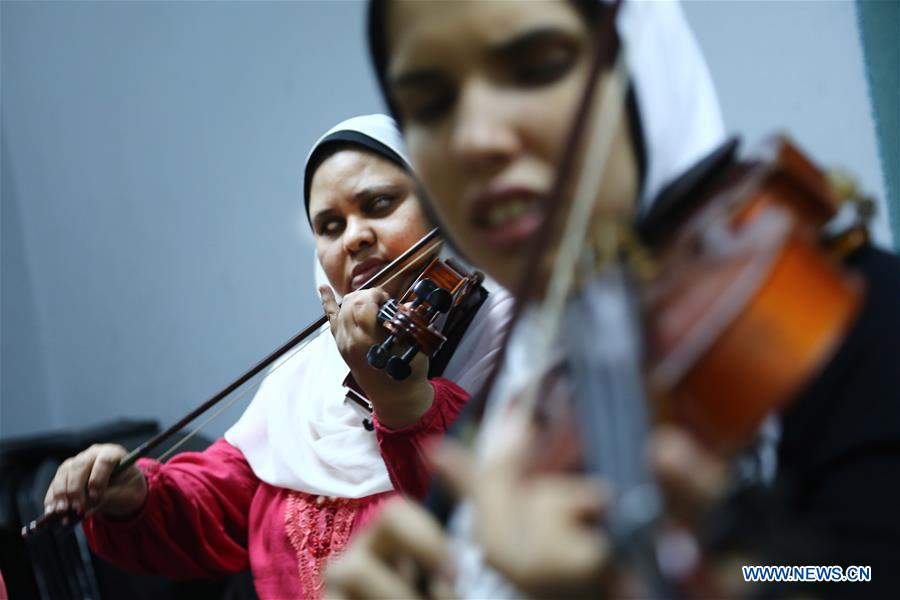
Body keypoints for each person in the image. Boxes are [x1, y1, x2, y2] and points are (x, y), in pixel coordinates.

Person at [326, 1, 900, 598]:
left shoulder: (845, 315)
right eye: (430, 106)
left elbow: (851, 574)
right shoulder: (503, 416)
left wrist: (725, 575)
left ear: (638, 57)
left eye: (537, 66)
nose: (474, 141)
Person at [41, 114, 512, 599]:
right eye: (330, 226)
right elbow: (219, 508)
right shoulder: (308, 377)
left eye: (380, 204)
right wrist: (134, 496)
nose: (353, 237)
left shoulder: (517, 347)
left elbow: (501, 538)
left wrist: (405, 405)